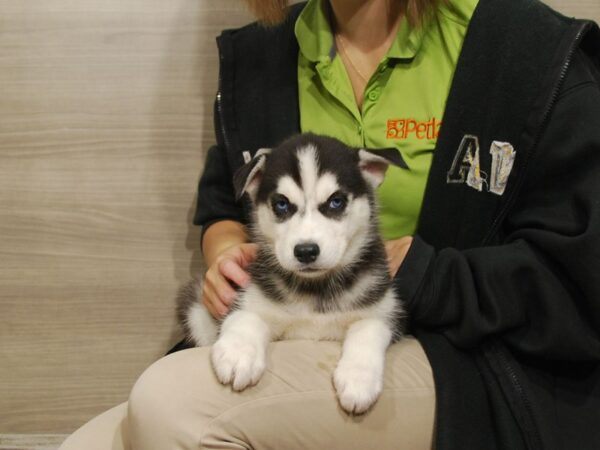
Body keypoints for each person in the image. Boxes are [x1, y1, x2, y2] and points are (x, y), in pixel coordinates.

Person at [60, 0, 600, 449]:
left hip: (465, 356)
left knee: (172, 407)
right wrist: (226, 253)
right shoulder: (263, 53)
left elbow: (578, 275)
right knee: (86, 443)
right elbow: (223, 202)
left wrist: (428, 275)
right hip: (291, 324)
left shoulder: (526, 52)